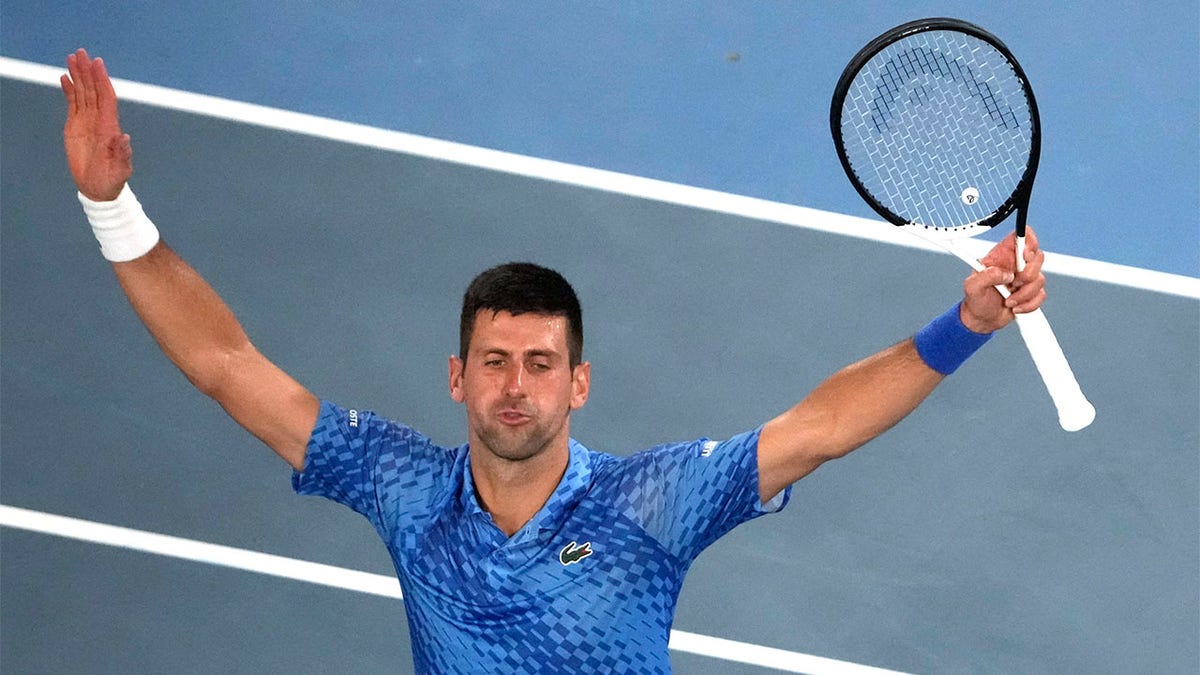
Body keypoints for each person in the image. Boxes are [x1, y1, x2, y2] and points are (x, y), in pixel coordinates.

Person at [61, 49, 1047, 673]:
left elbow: (821, 428)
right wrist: (113, 209)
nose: (515, 386)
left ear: (579, 382)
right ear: (458, 378)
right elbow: (226, 364)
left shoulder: (651, 504)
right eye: (494, 361)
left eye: (540, 362)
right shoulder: (402, 487)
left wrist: (961, 328)